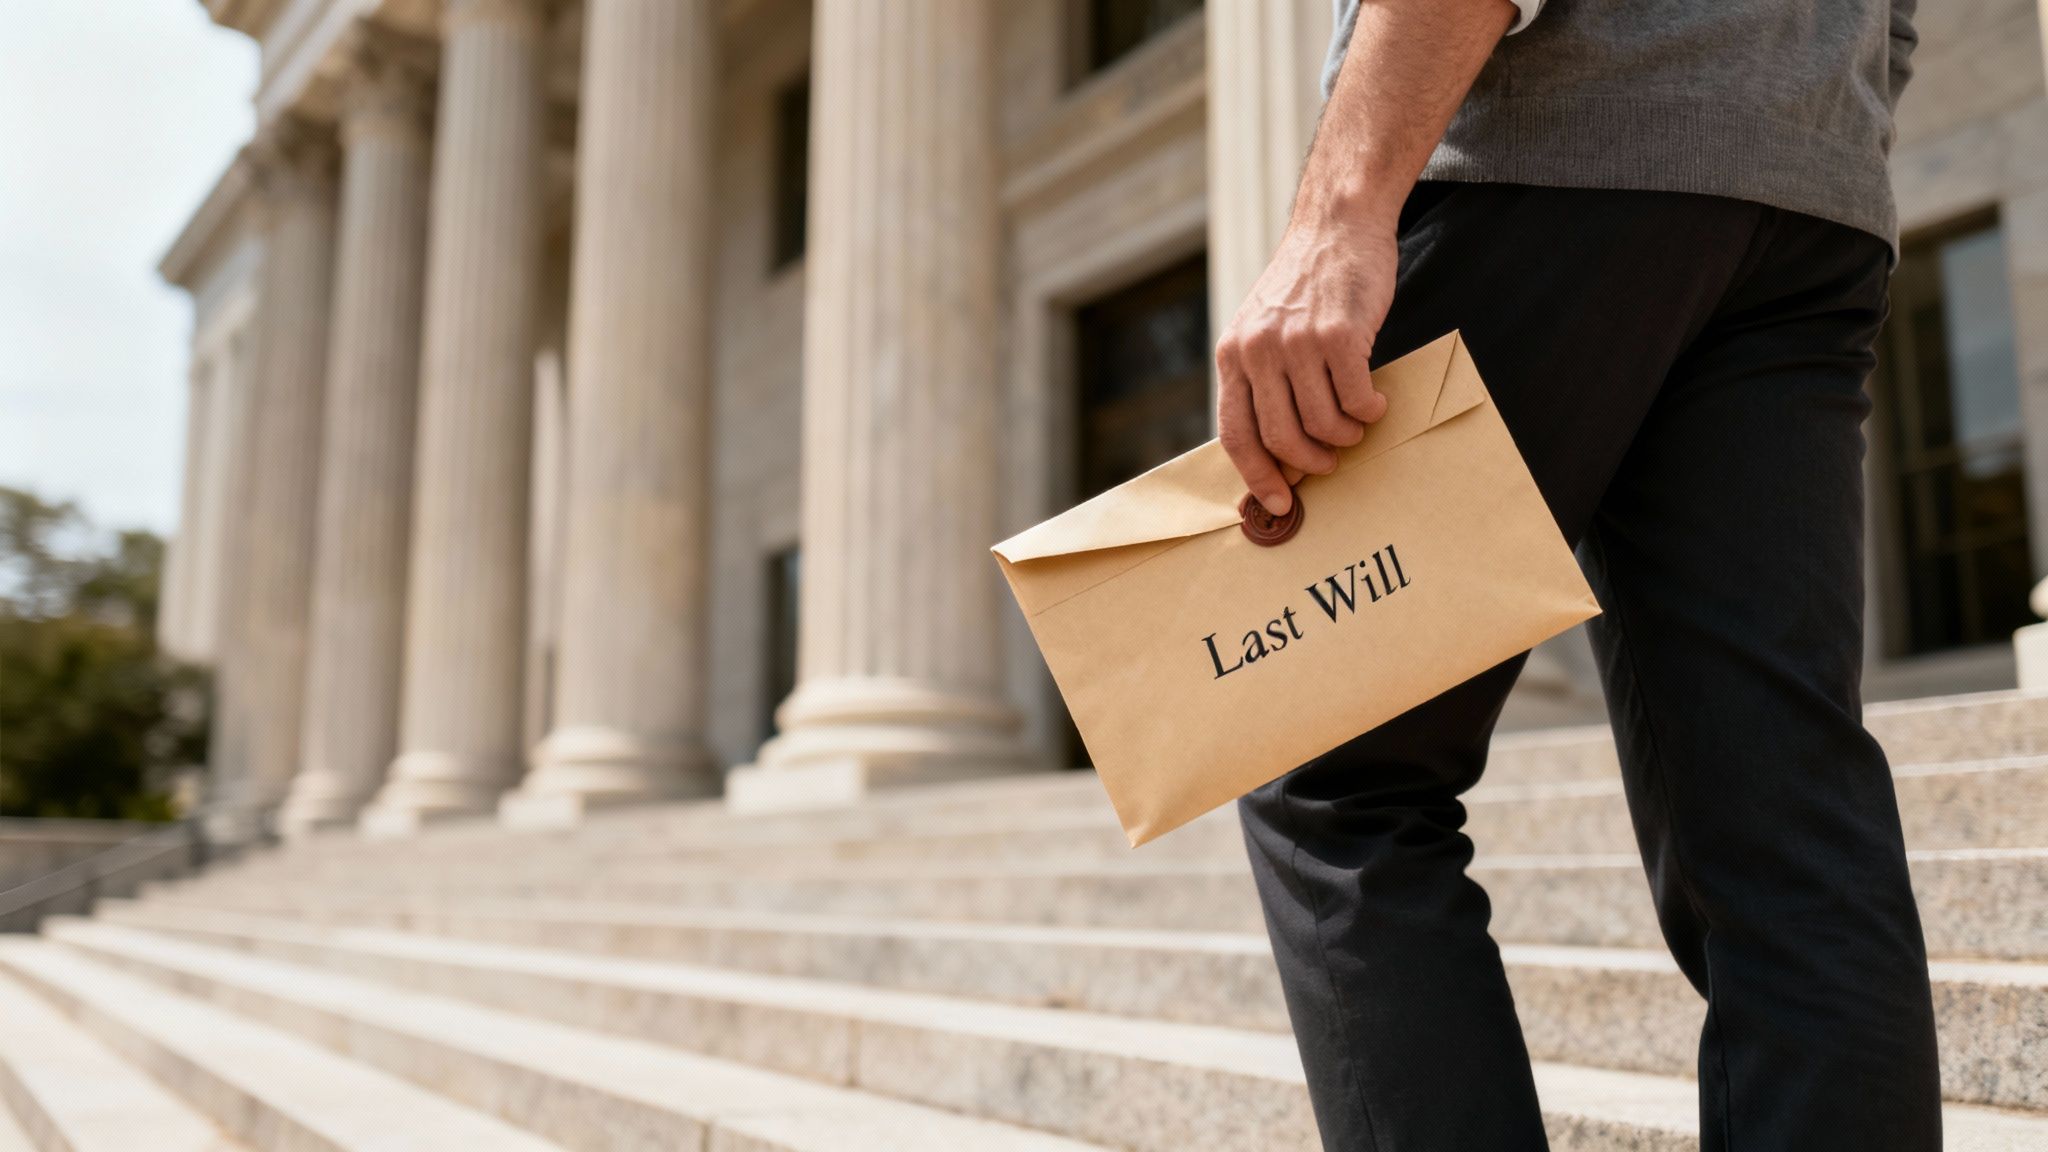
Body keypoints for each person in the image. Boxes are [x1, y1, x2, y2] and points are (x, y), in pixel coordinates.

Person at [1215, 1, 1940, 1149]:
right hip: (1806, 199)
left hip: (1554, 145)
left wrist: (1337, 215)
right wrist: (1818, 122)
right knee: (1779, 819)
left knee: (1331, 761)